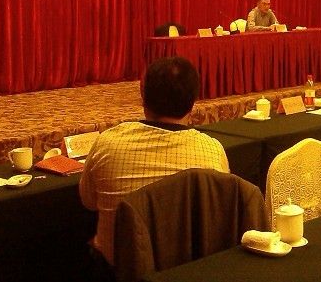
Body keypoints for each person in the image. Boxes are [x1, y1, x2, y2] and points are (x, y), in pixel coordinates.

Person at [80, 57, 229, 267]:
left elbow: (88, 201)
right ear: (193, 101)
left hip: (117, 269)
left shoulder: (108, 143)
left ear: (143, 96)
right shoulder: (212, 149)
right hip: (185, 269)